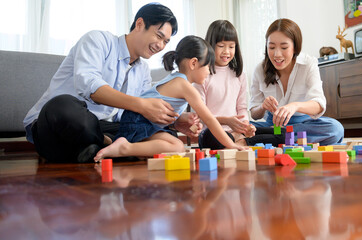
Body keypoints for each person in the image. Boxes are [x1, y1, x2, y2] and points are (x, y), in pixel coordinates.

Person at [23, 3, 199, 163]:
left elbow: (140, 116)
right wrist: (141, 104)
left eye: (166, 42)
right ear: (139, 24)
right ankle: (107, 145)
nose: (160, 45)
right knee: (62, 106)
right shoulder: (98, 40)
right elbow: (89, 86)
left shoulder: (143, 70)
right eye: (158, 36)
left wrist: (172, 121)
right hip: (62, 124)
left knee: (170, 140)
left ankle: (98, 149)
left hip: (105, 127)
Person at [94, 35, 246, 161]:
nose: (209, 72)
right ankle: (125, 148)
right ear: (193, 63)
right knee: (177, 147)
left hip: (140, 122)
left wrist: (188, 122)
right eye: (207, 66)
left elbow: (172, 115)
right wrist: (231, 145)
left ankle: (115, 143)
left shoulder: (176, 79)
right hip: (140, 122)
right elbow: (209, 119)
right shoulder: (185, 86)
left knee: (165, 147)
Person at [249, 18, 344, 146]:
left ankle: (273, 137)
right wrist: (262, 107)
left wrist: (295, 106)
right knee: (241, 127)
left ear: (295, 47)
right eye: (271, 47)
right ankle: (279, 137)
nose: (277, 54)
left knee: (335, 129)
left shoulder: (308, 63)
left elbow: (319, 104)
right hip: (271, 124)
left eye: (284, 47)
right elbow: (254, 114)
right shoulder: (260, 69)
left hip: (303, 123)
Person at [194, 20, 286, 149]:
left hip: (238, 132)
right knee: (208, 137)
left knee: (282, 133)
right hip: (215, 133)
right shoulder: (202, 74)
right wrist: (227, 121)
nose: (226, 51)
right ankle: (236, 143)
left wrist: (246, 126)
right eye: (221, 46)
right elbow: (201, 116)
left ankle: (240, 143)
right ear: (210, 45)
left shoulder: (239, 74)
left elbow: (242, 107)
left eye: (231, 47)